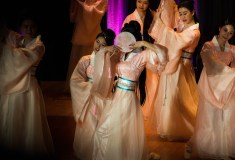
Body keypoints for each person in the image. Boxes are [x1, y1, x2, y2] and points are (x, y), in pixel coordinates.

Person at [184, 19, 235, 159]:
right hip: (211, 83)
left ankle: (224, 149)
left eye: (231, 33)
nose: (227, 34)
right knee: (209, 117)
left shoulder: (232, 49)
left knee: (229, 113)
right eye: (225, 30)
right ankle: (200, 145)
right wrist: (233, 71)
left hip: (227, 83)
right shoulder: (208, 46)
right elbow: (213, 65)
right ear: (219, 29)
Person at [92, 20, 167, 160]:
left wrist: (144, 43)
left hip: (127, 98)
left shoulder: (143, 55)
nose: (124, 41)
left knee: (118, 132)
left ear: (134, 39)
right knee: (103, 130)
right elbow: (99, 59)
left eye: (128, 38)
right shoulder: (120, 53)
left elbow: (163, 54)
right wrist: (108, 50)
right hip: (116, 96)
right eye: (123, 37)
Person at [0, 14, 55, 159]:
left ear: (36, 28)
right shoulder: (17, 41)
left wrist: (7, 46)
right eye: (25, 26)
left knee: (27, 119)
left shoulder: (39, 45)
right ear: (21, 27)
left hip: (29, 85)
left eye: (32, 26)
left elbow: (24, 58)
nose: (29, 29)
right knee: (13, 116)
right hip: (13, 83)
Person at [147, 0, 200, 141]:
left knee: (178, 97)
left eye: (185, 13)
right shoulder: (183, 27)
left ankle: (191, 126)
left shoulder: (194, 32)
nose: (182, 17)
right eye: (181, 13)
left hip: (181, 66)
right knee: (169, 96)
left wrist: (163, 27)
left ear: (193, 12)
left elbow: (176, 40)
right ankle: (168, 127)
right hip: (175, 63)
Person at [70, 28, 118, 160]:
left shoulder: (111, 60)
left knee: (103, 129)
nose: (99, 47)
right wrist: (89, 87)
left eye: (103, 45)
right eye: (97, 42)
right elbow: (75, 80)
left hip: (104, 98)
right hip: (89, 98)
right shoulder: (85, 60)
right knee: (89, 127)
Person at [66, 0, 108, 92]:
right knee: (80, 58)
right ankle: (78, 84)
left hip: (89, 32)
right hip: (84, 31)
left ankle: (91, 84)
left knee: (92, 57)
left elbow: (73, 17)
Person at [123, 0, 156, 112]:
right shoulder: (129, 18)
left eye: (145, 2)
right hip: (135, 56)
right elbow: (123, 40)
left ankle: (148, 110)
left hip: (150, 56)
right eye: (139, 1)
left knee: (152, 84)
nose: (142, 5)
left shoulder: (153, 17)